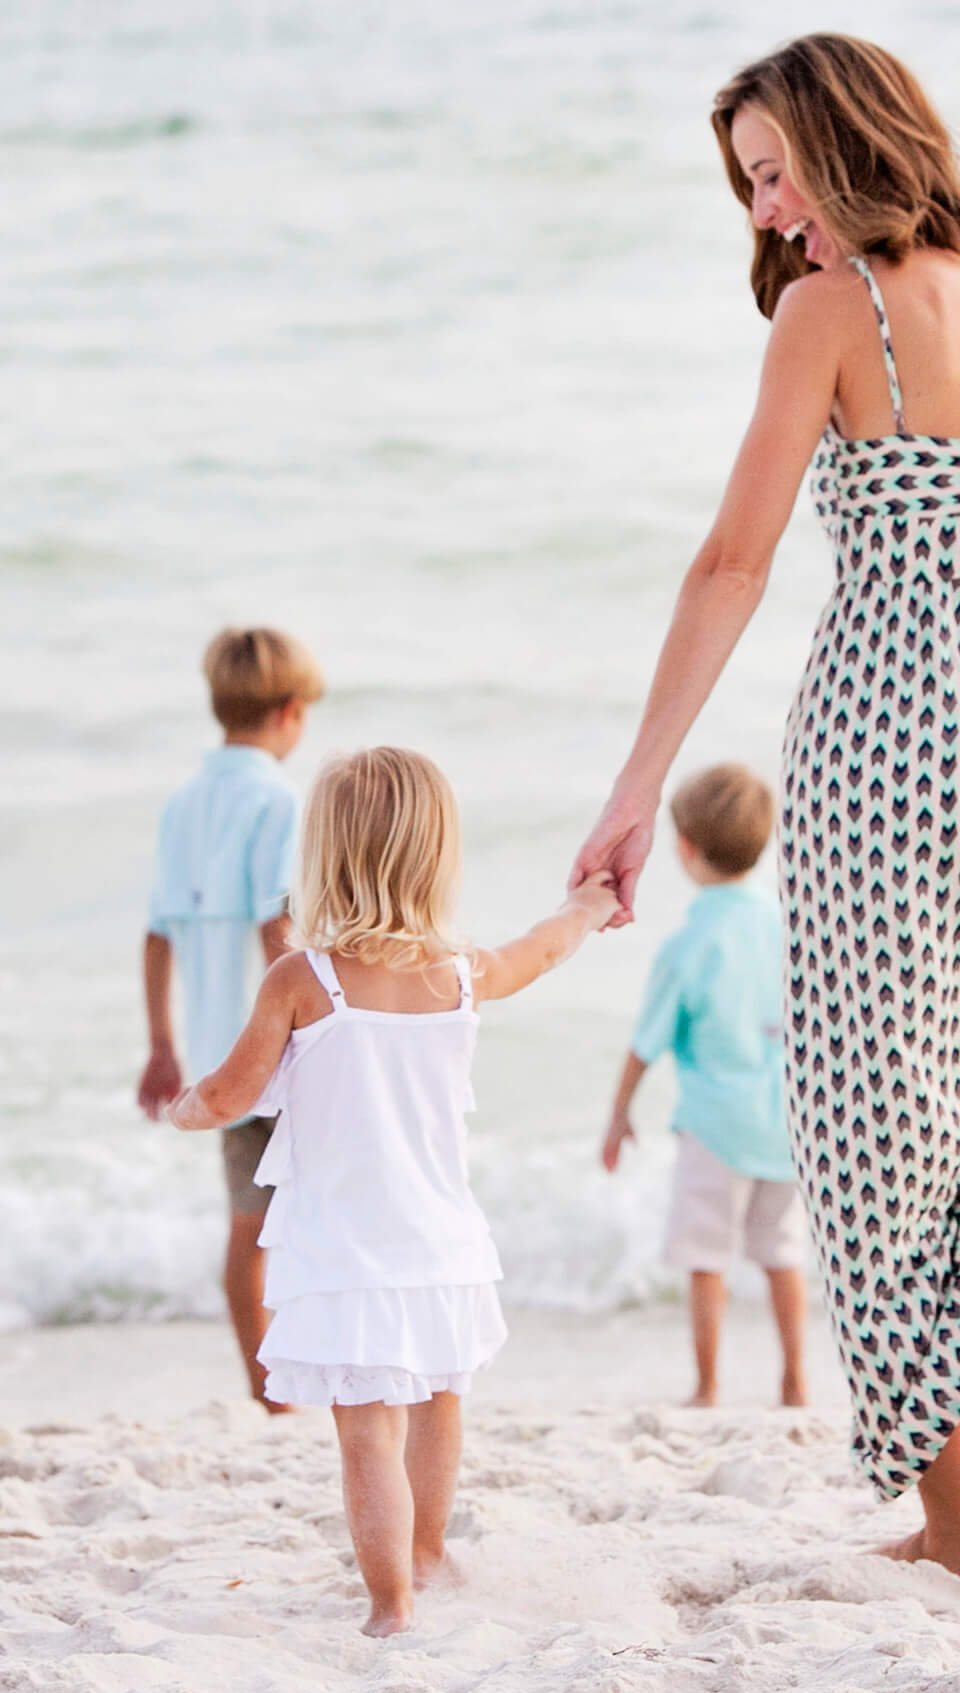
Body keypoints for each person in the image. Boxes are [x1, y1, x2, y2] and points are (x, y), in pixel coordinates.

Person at [570, 33, 960, 1578]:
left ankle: (954, 1540)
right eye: (749, 188)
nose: (766, 214)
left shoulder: (834, 313)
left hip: (885, 776)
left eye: (772, 175)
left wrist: (636, 787)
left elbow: (732, 565)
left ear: (849, 141)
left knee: (881, 1151)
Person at [168, 746, 619, 1634]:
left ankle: (391, 1605)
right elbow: (543, 950)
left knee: (367, 1430)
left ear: (325, 856)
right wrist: (589, 905)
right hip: (443, 1238)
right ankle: (428, 1553)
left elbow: (229, 1094)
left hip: (348, 1249)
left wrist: (185, 1108)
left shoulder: (303, 979)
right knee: (440, 1401)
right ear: (437, 856)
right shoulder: (462, 972)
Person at [137, 626, 323, 1409]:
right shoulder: (277, 799)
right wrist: (316, 1023)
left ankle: (268, 1393)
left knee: (248, 1227)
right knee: (318, 1218)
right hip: (279, 1051)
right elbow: (276, 925)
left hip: (220, 1059)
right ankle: (316, 1376)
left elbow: (157, 934)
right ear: (290, 712)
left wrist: (162, 1047)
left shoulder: (183, 804)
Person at [602, 763, 808, 1407]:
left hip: (716, 1127)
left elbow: (647, 1043)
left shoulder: (689, 942)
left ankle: (708, 1385)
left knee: (705, 1257)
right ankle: (795, 1381)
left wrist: (619, 1115)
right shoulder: (790, 926)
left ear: (685, 848)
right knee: (782, 1253)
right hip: (787, 1126)